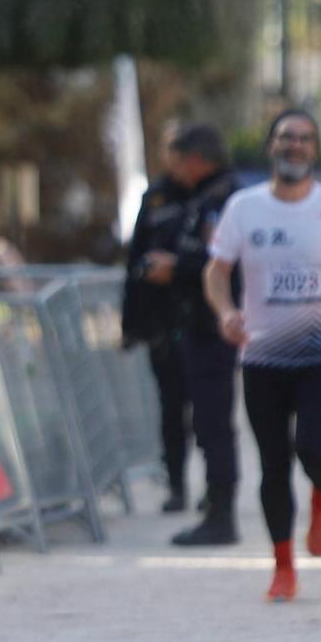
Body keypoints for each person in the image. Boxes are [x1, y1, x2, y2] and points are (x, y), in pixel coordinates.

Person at [203, 110, 321, 602]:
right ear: (271, 147)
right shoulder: (244, 208)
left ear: (315, 150)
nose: (294, 146)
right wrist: (225, 312)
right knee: (273, 462)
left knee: (314, 450)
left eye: (303, 139)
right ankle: (283, 566)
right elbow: (216, 271)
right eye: (285, 138)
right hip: (262, 356)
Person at [161, 126, 243, 546]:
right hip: (202, 325)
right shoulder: (206, 198)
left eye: (178, 161)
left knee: (212, 421)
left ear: (196, 159)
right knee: (208, 419)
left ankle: (221, 512)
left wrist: (174, 268)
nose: (174, 170)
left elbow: (219, 263)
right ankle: (216, 506)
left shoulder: (221, 200)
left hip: (214, 328)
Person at [124, 143, 194, 512]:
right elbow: (135, 259)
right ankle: (177, 485)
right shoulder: (155, 198)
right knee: (171, 409)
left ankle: (217, 487)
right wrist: (130, 323)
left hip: (202, 321)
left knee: (206, 410)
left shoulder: (213, 195)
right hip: (162, 324)